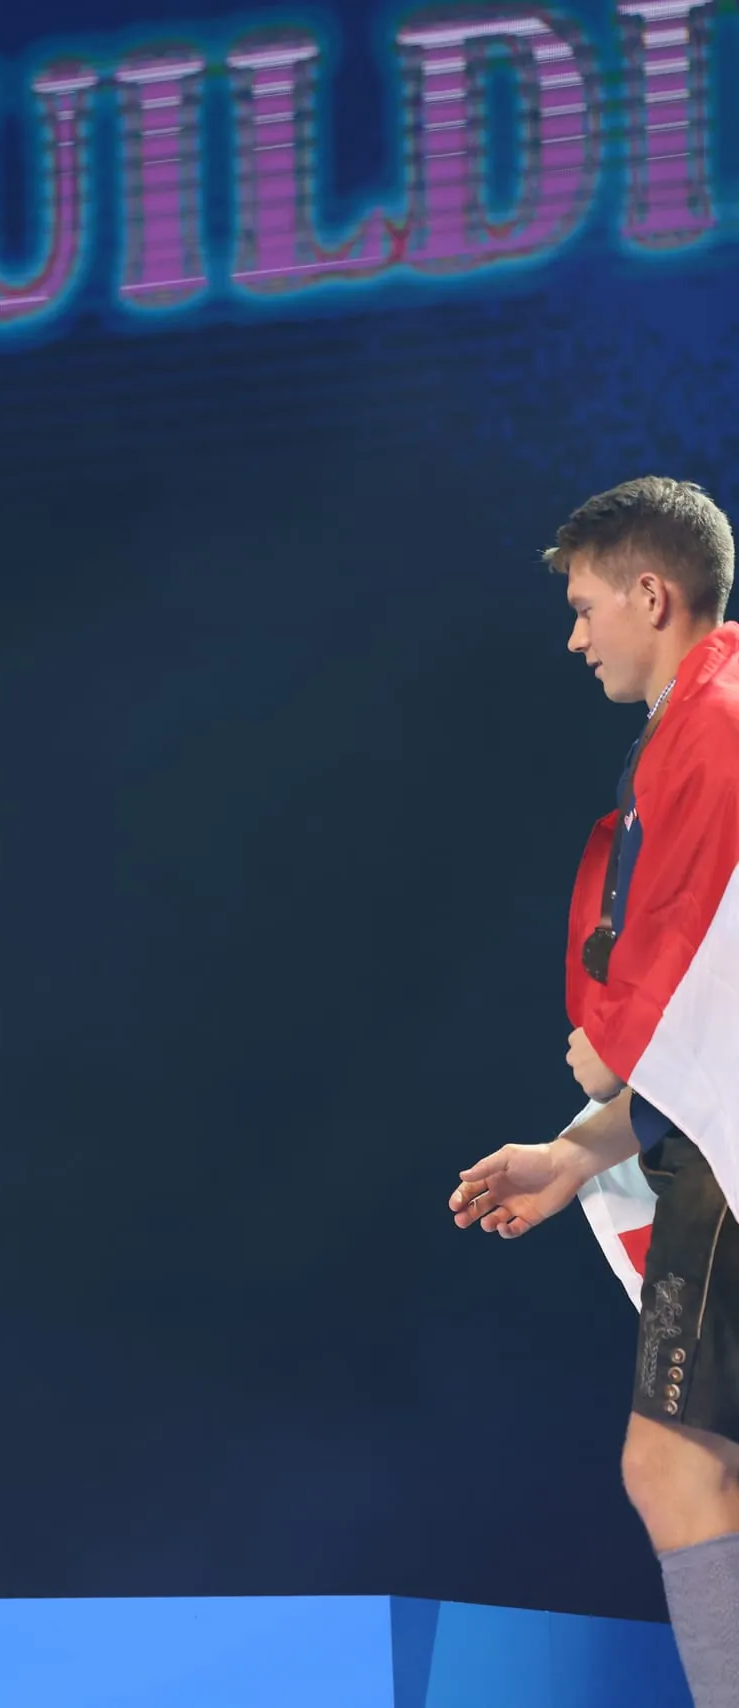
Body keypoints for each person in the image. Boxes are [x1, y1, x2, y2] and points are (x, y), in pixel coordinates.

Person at [453, 477, 739, 1707]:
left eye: (583, 608)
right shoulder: (698, 723)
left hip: (719, 1164)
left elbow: (704, 986)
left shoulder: (719, 724)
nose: (574, 638)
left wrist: (621, 1036)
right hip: (703, 1145)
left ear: (650, 595)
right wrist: (578, 1149)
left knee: (673, 1463)